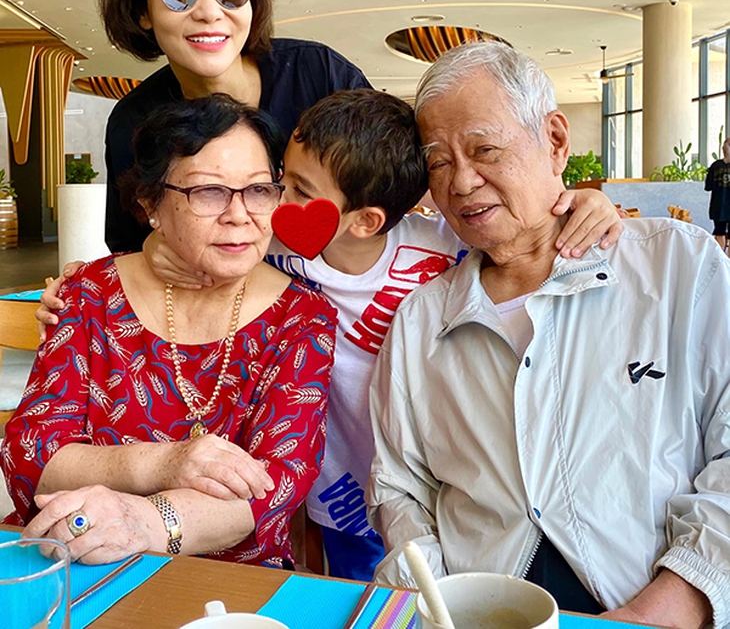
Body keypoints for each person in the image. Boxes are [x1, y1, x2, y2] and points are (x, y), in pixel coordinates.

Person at [39, 89, 622, 580]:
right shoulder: (283, 252)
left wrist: (584, 206)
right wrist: (148, 249)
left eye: (289, 190)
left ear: (365, 220)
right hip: (341, 486)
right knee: (363, 594)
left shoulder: (440, 246)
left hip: (442, 479)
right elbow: (198, 231)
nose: (266, 208)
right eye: (279, 184)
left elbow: (514, 235)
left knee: (455, 588)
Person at [368, 41, 730, 628]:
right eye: (438, 163)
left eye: (485, 150)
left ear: (556, 141)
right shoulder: (421, 322)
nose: (461, 181)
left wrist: (672, 605)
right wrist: (437, 604)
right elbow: (400, 488)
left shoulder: (677, 269)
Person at [2, 94, 336, 568]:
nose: (240, 214)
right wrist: (165, 462)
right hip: (70, 559)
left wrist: (142, 522)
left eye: (259, 189)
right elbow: (31, 455)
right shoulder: (88, 294)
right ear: (151, 203)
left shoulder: (302, 317)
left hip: (228, 581)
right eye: (209, 192)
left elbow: (277, 480)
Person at [100, 0, 370, 253]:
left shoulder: (322, 77)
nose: (209, 11)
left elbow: (389, 190)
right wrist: (147, 253)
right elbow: (131, 248)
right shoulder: (133, 122)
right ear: (141, 9)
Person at [705, 137, 730, 252]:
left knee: (719, 232)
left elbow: (708, 187)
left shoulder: (715, 166)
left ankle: (720, 258)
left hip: (718, 206)